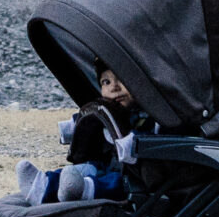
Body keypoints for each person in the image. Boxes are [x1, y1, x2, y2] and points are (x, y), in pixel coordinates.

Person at [16, 64, 143, 204]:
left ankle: (83, 190)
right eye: (106, 82)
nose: (114, 88)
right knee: (80, 170)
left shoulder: (150, 116)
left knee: (115, 182)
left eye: (122, 80)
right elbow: (85, 119)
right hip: (104, 164)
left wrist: (135, 143)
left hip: (132, 175)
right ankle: (41, 188)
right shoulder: (109, 110)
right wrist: (71, 128)